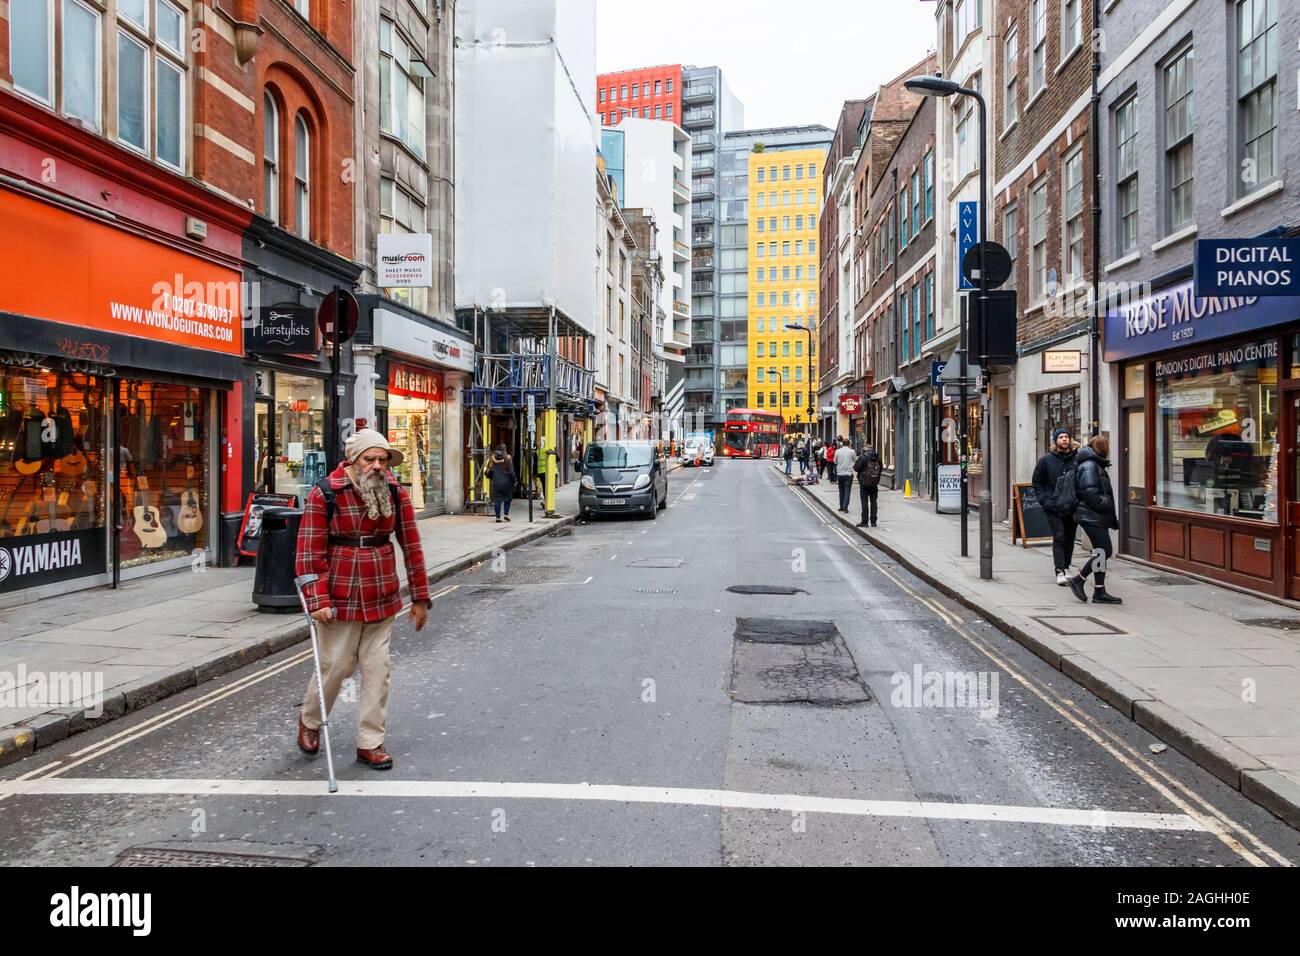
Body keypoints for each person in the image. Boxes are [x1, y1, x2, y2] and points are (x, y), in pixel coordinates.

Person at [294, 428, 432, 771]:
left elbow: (411, 546)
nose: (376, 466)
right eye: (369, 459)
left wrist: (420, 597)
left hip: (382, 592)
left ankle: (370, 742)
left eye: (382, 460)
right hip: (339, 594)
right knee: (336, 666)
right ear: (353, 461)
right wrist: (317, 598)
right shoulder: (324, 494)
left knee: (377, 670)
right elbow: (309, 553)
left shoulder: (396, 493)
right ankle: (311, 721)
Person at [1069, 435, 1122, 605]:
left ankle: (1099, 590)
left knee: (1100, 552)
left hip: (1094, 515)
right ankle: (1079, 579)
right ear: (1103, 449)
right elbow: (1090, 493)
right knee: (1104, 551)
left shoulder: (1093, 463)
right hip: (1091, 515)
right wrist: (1105, 502)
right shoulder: (1090, 465)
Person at [1032, 426, 1080, 586]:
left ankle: (1066, 567)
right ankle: (1059, 570)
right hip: (1054, 506)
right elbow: (1037, 482)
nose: (1064, 439)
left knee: (1070, 538)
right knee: (1059, 536)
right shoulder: (1045, 460)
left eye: (1067, 437)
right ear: (1055, 441)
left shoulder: (1077, 458)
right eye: (1061, 437)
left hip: (1071, 506)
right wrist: (1046, 501)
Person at [854, 442, 883, 527]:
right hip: (874, 483)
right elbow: (880, 469)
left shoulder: (862, 457)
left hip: (864, 483)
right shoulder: (878, 458)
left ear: (865, 449)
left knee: (864, 502)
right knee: (874, 502)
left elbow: (856, 468)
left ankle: (865, 522)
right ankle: (873, 522)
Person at [486, 445, 515, 522]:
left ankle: (498, 517)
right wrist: (515, 481)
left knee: (497, 500)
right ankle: (506, 514)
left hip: (496, 483)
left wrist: (490, 476)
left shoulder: (492, 460)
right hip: (507, 483)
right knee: (508, 499)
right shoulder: (507, 459)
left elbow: (489, 473)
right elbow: (511, 472)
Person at [834, 438, 857, 512]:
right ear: (849, 444)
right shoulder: (852, 451)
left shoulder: (837, 451)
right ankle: (845, 507)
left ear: (842, 444)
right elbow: (854, 460)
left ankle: (841, 506)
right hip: (848, 474)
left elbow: (835, 461)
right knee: (847, 491)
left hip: (840, 474)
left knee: (841, 491)